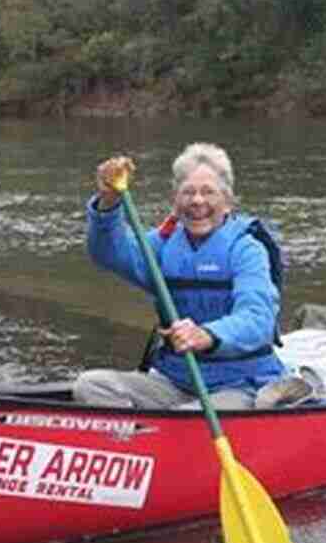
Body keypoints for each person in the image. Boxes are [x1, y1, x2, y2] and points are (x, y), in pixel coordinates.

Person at [73, 142, 307, 411]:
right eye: (188, 192)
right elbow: (108, 253)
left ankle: (165, 439)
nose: (197, 201)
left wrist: (206, 335)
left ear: (228, 202)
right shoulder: (163, 245)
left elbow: (258, 319)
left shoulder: (247, 249)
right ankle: (135, 442)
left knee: (190, 416)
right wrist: (109, 202)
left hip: (240, 384)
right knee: (90, 386)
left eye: (208, 192)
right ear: (176, 201)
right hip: (176, 382)